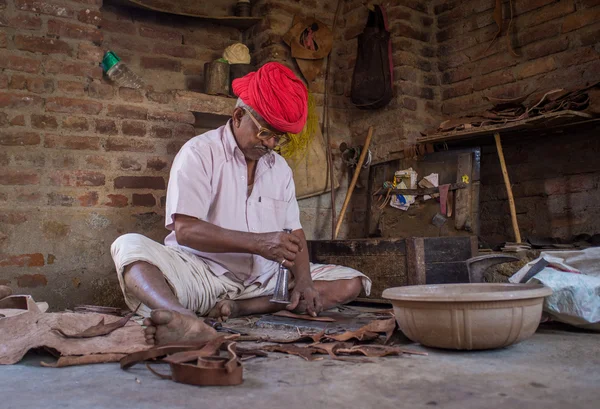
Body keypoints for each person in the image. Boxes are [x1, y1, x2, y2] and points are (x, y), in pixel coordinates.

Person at [111, 62, 371, 345]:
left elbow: (294, 232)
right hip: (204, 274)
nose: (272, 143)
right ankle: (182, 319)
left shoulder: (280, 169)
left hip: (264, 283)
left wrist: (305, 281)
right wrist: (258, 243)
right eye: (266, 133)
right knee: (129, 247)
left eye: (279, 138)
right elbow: (185, 231)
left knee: (353, 282)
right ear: (238, 116)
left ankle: (239, 309)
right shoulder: (199, 153)